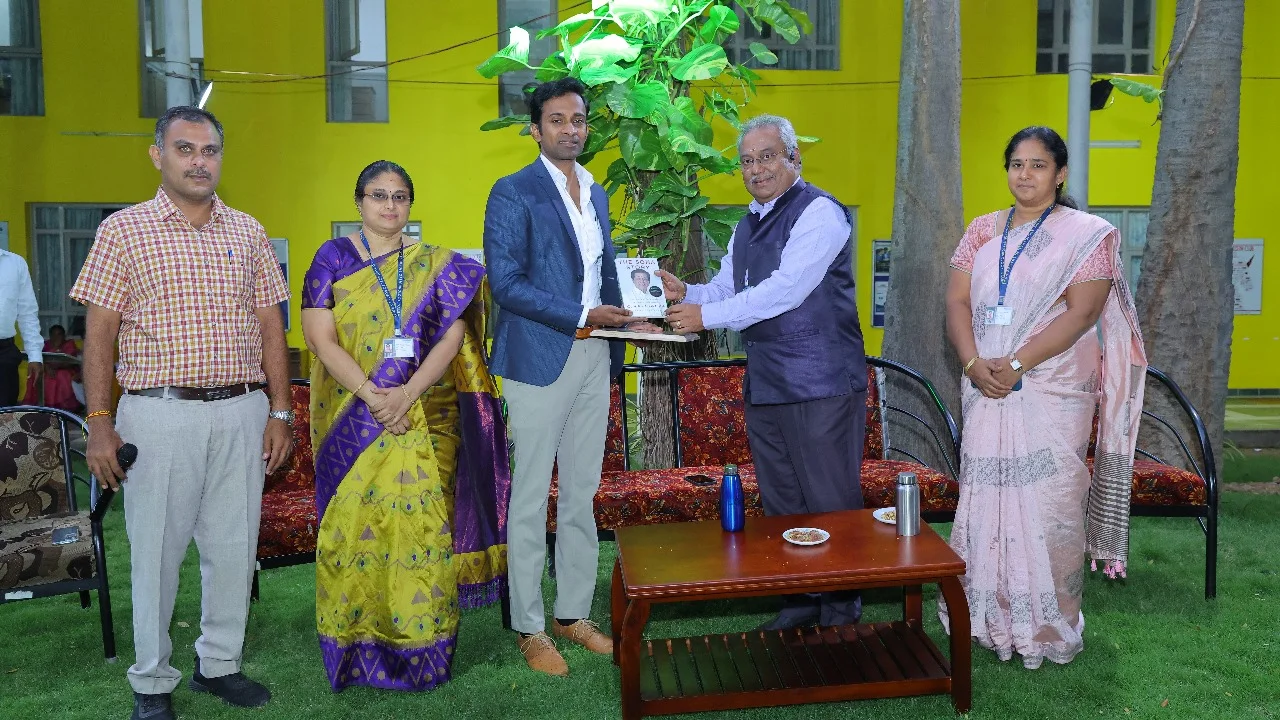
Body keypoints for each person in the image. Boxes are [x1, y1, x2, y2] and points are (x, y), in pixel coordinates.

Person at [71, 106, 293, 720]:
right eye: (185, 149)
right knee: (156, 555)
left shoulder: (248, 231)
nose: (200, 161)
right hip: (159, 414)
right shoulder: (123, 231)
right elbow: (100, 334)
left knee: (233, 547)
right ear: (157, 155)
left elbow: (271, 326)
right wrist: (99, 421)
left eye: (210, 150)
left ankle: (219, 664)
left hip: (242, 411)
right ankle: (151, 680)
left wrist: (280, 411)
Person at [939, 126, 1146, 669]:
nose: (1024, 174)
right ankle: (986, 615)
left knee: (1052, 500)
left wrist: (1016, 364)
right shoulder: (982, 230)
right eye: (1016, 164)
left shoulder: (1085, 234)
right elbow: (957, 302)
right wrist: (973, 364)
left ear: (1060, 174)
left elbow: (1083, 312)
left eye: (1037, 165)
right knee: (988, 497)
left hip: (1051, 384)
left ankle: (1049, 625)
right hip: (984, 380)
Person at [300, 161, 511, 691]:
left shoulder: (436, 266)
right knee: (353, 531)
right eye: (379, 195)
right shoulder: (332, 258)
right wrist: (373, 396)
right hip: (353, 417)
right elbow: (320, 339)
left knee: (420, 530)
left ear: (410, 205)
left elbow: (452, 336)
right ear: (359, 202)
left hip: (418, 414)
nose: (390, 205)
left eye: (399, 196)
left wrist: (406, 394)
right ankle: (353, 648)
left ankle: (423, 651)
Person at [658, 114, 866, 630]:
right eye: (747, 161)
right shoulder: (748, 223)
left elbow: (785, 291)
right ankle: (799, 601)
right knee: (783, 504)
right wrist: (688, 293)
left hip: (820, 383)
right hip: (768, 383)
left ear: (794, 157)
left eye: (767, 156)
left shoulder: (820, 212)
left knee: (829, 502)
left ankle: (841, 612)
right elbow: (727, 289)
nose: (756, 169)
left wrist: (705, 316)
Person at [483, 77, 658, 676]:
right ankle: (530, 626)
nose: (570, 129)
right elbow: (506, 284)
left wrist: (634, 316)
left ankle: (572, 614)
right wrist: (583, 316)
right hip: (537, 358)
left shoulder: (598, 192)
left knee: (582, 494)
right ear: (535, 130)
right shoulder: (513, 192)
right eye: (557, 120)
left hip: (595, 356)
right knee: (531, 498)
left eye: (578, 119)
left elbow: (604, 276)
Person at [0, 248, 42, 407]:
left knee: (4, 416)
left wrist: (35, 355)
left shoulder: (15, 263)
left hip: (4, 355)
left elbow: (27, 313)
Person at [22, 323, 80, 411]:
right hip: (46, 369)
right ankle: (41, 405)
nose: (56, 337)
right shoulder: (45, 345)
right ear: (50, 336)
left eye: (59, 334)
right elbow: (37, 359)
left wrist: (56, 348)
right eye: (53, 334)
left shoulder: (69, 344)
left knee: (61, 375)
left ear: (64, 336)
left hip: (66, 369)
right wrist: (46, 367)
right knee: (36, 373)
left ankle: (60, 406)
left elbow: (69, 362)